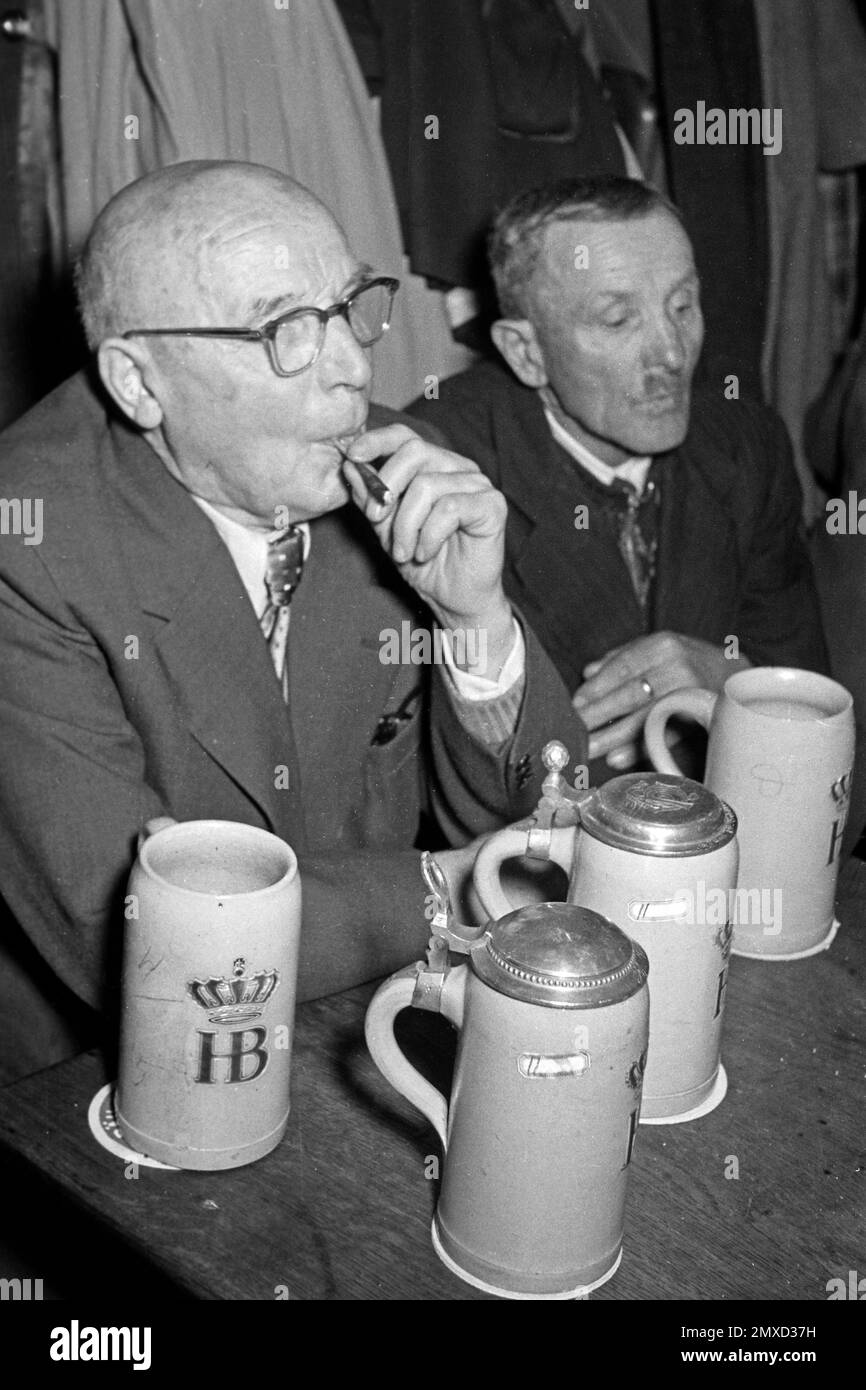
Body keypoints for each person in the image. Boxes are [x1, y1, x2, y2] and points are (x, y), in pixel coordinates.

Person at [0, 160, 586, 1082]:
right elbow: (142, 943)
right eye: (285, 331)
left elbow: (539, 826)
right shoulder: (27, 542)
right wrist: (450, 886)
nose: (356, 369)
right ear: (139, 383)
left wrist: (473, 618)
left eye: (352, 307)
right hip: (103, 1073)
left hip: (377, 1026)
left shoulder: (406, 469)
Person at [410, 177, 829, 781]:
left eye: (683, 306)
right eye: (617, 320)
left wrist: (735, 685)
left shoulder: (746, 443)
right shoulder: (443, 467)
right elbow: (416, 784)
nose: (672, 355)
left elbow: (818, 715)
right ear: (526, 353)